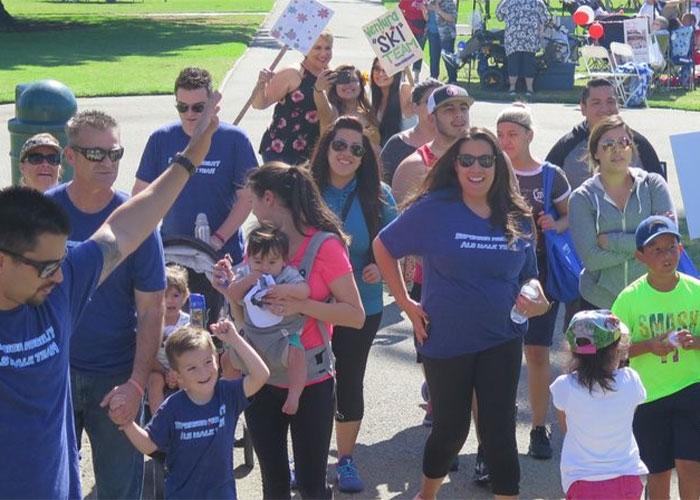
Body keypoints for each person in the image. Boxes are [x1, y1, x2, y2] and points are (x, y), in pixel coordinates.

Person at [0, 91, 222, 499]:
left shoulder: (59, 291)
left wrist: (192, 154)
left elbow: (126, 227)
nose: (59, 274)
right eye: (46, 267)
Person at [374, 128, 550, 499]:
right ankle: (427, 494)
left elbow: (529, 275)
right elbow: (383, 245)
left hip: (501, 337)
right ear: (454, 166)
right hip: (446, 338)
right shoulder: (435, 209)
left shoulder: (517, 216)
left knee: (498, 429)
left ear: (497, 166)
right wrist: (406, 302)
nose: (476, 167)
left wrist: (534, 294)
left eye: (485, 160)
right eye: (466, 159)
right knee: (450, 430)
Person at [45, 110, 166, 499]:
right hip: (55, 374)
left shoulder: (136, 220)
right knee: (50, 485)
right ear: (71, 157)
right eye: (95, 154)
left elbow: (152, 309)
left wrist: (135, 384)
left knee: (119, 491)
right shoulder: (44, 215)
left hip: (115, 378)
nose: (108, 163)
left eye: (114, 153)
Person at [240, 163, 365, 499]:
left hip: (311, 381)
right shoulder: (259, 245)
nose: (250, 208)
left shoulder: (325, 246)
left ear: (268, 198)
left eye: (252, 200)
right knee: (274, 484)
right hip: (261, 379)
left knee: (311, 484)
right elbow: (243, 308)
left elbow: (355, 315)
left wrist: (301, 307)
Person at [309, 116, 397, 493]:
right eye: (339, 145)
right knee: (310, 381)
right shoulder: (304, 188)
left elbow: (397, 242)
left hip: (362, 305)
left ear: (365, 157)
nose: (346, 154)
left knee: (348, 378)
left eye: (356, 149)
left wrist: (379, 265)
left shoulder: (378, 194)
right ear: (326, 147)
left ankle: (345, 460)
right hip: (309, 305)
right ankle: (310, 459)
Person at [133, 67, 257, 325]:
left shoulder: (234, 139)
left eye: (198, 108)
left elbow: (247, 198)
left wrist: (217, 238)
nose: (190, 115)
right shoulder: (161, 139)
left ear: (212, 105)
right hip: (174, 255)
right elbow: (140, 196)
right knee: (175, 334)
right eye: (183, 107)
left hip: (220, 258)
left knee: (217, 329)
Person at [497, 102, 572, 461]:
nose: (505, 141)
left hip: (538, 274)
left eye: (512, 134)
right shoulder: (491, 170)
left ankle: (539, 427)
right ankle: (496, 427)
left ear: (529, 136)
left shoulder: (551, 175)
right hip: (497, 273)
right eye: (501, 135)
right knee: (497, 351)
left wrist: (553, 225)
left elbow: (571, 217)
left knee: (538, 351)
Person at [121, 323, 268, 499]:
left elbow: (261, 375)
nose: (203, 372)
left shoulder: (228, 394)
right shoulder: (172, 407)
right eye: (192, 368)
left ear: (216, 359)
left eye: (208, 362)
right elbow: (149, 444)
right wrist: (127, 423)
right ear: (177, 376)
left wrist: (235, 339)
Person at [612, 215, 700, 500]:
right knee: (658, 472)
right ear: (640, 256)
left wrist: (695, 342)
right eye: (656, 249)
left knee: (691, 468)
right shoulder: (629, 299)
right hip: (648, 396)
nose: (666, 255)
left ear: (682, 249)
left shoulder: (695, 291)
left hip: (692, 389)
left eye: (671, 246)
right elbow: (613, 350)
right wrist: (648, 346)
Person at [568, 114, 675, 310]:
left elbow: (667, 242)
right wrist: (646, 251)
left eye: (623, 142)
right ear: (595, 153)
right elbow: (591, 259)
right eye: (608, 144)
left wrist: (612, 242)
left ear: (631, 148)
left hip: (650, 297)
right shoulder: (581, 198)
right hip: (598, 302)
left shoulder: (653, 185)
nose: (617, 149)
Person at [550, 310, 648, 500]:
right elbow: (631, 412)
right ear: (615, 350)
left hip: (582, 481)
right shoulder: (631, 379)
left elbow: (566, 426)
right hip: (627, 477)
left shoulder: (564, 386)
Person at [214, 225, 310, 415]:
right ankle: (232, 397)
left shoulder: (286, 274)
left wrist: (286, 290)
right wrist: (249, 279)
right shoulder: (246, 273)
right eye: (258, 262)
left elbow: (306, 291)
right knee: (227, 359)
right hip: (251, 337)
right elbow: (232, 293)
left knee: (298, 354)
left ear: (283, 261)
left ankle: (295, 395)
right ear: (249, 258)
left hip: (281, 337)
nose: (264, 268)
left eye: (272, 262)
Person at [546, 78, 666, 191]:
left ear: (618, 105)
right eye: (596, 103)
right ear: (583, 108)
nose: (605, 108)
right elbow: (543, 192)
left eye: (610, 102)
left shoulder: (639, 145)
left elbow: (660, 191)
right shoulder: (565, 148)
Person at [254, 32, 333, 165]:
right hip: (281, 152)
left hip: (312, 153)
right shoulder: (293, 73)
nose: (323, 53)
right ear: (306, 49)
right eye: (317, 48)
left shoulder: (329, 75)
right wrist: (260, 85)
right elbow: (260, 104)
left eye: (328, 48)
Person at [391, 84, 472, 203]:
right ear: (431, 119)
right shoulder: (413, 167)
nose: (459, 114)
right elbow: (403, 219)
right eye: (449, 109)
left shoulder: (486, 158)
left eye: (463, 108)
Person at [147, 264, 191, 415]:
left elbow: (193, 352)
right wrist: (166, 372)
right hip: (157, 368)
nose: (170, 301)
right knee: (155, 381)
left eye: (175, 295)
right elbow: (147, 355)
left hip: (182, 367)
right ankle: (158, 422)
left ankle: (189, 416)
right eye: (164, 296)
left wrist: (177, 372)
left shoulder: (188, 323)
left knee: (187, 379)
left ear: (185, 296)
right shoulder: (153, 322)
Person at [380, 78, 441, 184]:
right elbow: (381, 187)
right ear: (415, 107)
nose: (435, 107)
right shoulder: (396, 145)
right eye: (430, 102)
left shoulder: (456, 144)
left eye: (441, 102)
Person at [314, 64, 381, 147]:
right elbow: (321, 103)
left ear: (360, 86)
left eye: (353, 80)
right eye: (343, 80)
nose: (348, 84)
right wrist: (318, 89)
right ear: (335, 87)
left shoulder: (369, 113)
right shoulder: (332, 114)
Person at [495, 0, 548, 96]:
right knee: (529, 63)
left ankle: (512, 88)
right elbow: (545, 18)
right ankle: (529, 89)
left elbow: (499, 16)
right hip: (530, 38)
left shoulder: (507, 2)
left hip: (513, 38)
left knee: (513, 62)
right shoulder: (538, 2)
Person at [370, 57, 414, 146]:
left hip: (407, 152)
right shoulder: (376, 97)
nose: (381, 74)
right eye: (377, 69)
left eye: (386, 70)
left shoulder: (403, 90)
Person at [429, 0, 458, 84]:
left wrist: (438, 10)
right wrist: (424, 9)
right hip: (433, 33)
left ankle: (452, 79)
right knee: (434, 57)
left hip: (446, 35)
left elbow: (453, 18)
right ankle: (433, 79)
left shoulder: (449, 2)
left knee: (448, 58)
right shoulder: (431, 3)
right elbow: (427, 18)